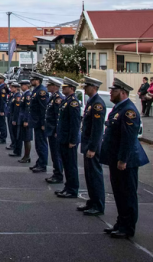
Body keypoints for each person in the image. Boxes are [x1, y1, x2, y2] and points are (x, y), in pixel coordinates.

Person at [101, 78, 149, 239]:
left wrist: (123, 159)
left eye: (113, 91)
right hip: (116, 158)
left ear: (122, 92)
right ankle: (120, 222)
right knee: (119, 193)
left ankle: (128, 227)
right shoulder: (119, 108)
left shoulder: (129, 111)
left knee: (127, 194)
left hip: (126, 161)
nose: (110, 93)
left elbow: (128, 138)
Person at [78, 76, 106, 215]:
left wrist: (93, 148)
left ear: (94, 87)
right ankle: (92, 201)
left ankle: (98, 204)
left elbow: (97, 129)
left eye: (87, 86)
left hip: (92, 146)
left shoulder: (97, 104)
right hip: (88, 144)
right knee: (89, 175)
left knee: (95, 175)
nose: (84, 88)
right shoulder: (91, 102)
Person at [55, 77, 81, 198]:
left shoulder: (73, 102)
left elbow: (75, 124)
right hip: (63, 137)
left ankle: (72, 189)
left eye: (65, 87)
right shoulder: (67, 101)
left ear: (71, 88)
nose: (63, 88)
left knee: (71, 166)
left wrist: (73, 140)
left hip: (68, 140)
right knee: (66, 164)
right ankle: (68, 186)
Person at [44, 78, 65, 184]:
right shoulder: (52, 97)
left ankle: (58, 174)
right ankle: (56, 172)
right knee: (54, 153)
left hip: (54, 131)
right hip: (51, 130)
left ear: (55, 87)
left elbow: (58, 117)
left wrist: (57, 130)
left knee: (56, 154)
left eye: (49, 85)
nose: (47, 87)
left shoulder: (58, 98)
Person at [29, 73, 49, 173]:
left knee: (42, 144)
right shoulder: (36, 90)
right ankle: (39, 161)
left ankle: (42, 164)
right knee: (38, 144)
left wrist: (43, 123)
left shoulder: (41, 92)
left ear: (37, 80)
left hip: (39, 122)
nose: (31, 81)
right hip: (36, 122)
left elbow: (43, 109)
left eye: (32, 80)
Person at [17, 80, 32, 163]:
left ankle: (27, 156)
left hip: (26, 120)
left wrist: (26, 120)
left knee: (27, 139)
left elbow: (28, 108)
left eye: (23, 85)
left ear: (27, 86)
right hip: (22, 118)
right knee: (24, 138)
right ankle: (26, 156)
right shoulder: (24, 94)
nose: (21, 87)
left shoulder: (28, 95)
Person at [7, 82, 21, 155]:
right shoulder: (13, 95)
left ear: (16, 88)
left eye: (12, 87)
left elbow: (16, 109)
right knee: (12, 132)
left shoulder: (18, 96)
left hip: (14, 116)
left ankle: (16, 148)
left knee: (15, 134)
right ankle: (14, 146)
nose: (11, 88)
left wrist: (14, 119)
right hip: (11, 115)